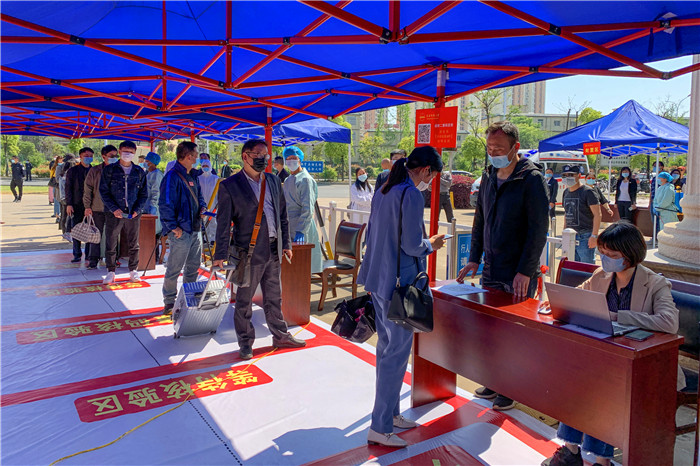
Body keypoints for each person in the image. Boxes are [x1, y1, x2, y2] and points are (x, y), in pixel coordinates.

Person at [542, 221, 680, 466]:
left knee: (603, 387)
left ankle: (601, 460)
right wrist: (558, 302)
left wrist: (619, 316)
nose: (605, 259)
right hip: (606, 355)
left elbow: (669, 322)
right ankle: (571, 449)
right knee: (577, 375)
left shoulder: (655, 283)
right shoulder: (601, 275)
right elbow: (579, 297)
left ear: (630, 255)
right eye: (602, 253)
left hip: (645, 365)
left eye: (612, 255)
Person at [457, 120, 549, 411]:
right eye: (490, 148)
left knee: (514, 332)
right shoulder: (488, 175)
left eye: (499, 148)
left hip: (518, 272)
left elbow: (538, 230)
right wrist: (474, 257)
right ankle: (495, 381)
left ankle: (512, 387)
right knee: (492, 330)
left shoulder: (531, 179)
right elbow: (480, 220)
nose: (493, 153)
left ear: (515, 148)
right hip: (491, 268)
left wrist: (525, 270)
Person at [358, 146, 445, 448]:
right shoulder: (411, 194)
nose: (431, 182)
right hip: (401, 285)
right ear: (426, 170)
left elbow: (373, 235)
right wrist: (431, 244)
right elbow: (411, 245)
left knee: (387, 350)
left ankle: (391, 415)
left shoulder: (385, 189)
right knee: (395, 355)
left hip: (379, 279)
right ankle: (380, 426)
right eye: (433, 176)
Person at [213, 139, 305, 360]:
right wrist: (220, 255)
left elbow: (282, 215)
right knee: (244, 300)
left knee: (274, 297)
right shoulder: (230, 185)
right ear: (245, 156)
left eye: (266, 155)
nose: (263, 159)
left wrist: (286, 244)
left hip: (273, 249)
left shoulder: (272, 180)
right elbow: (223, 223)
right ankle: (245, 342)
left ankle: (280, 335)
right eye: (258, 155)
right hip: (248, 252)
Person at [159, 142, 208, 315]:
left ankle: (189, 297)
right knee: (174, 267)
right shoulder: (172, 176)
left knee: (193, 267)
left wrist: (202, 207)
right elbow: (165, 203)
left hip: (195, 227)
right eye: (196, 155)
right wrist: (173, 226)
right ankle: (169, 301)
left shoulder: (193, 175)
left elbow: (199, 197)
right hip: (181, 230)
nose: (197, 158)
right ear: (188, 156)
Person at [99, 141, 148, 284]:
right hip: (114, 212)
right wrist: (114, 209)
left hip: (133, 213)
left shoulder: (139, 171)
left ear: (135, 153)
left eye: (131, 152)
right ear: (119, 152)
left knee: (134, 242)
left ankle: (133, 270)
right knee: (111, 241)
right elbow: (104, 192)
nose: (128, 154)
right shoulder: (109, 170)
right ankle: (111, 271)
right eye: (125, 151)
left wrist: (137, 209)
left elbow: (143, 194)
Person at [283, 146, 322, 274]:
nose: (291, 161)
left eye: (294, 158)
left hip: (302, 227)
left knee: (302, 266)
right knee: (292, 267)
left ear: (300, 159)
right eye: (288, 158)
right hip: (290, 225)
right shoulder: (288, 180)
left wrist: (301, 230)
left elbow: (308, 209)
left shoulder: (305, 180)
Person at [84, 145, 118, 269]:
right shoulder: (95, 171)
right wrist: (87, 206)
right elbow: (87, 189)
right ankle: (93, 260)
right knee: (95, 235)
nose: (114, 158)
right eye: (111, 156)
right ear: (104, 157)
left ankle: (112, 260)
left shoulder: (119, 170)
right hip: (97, 208)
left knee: (112, 236)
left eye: (116, 156)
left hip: (114, 209)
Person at [561, 165, 600, 264]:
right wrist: (564, 231)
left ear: (579, 176)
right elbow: (566, 212)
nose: (567, 178)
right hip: (570, 235)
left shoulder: (588, 192)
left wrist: (594, 236)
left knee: (586, 267)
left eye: (571, 175)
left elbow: (597, 214)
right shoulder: (566, 192)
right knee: (572, 266)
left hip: (585, 236)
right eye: (565, 175)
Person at [65, 147, 94, 263]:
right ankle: (77, 254)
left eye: (90, 156)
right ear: (80, 157)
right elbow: (68, 188)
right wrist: (69, 204)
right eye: (86, 156)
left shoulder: (94, 170)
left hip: (91, 205)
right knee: (77, 230)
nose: (88, 158)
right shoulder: (73, 171)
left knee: (90, 230)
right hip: (76, 204)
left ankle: (89, 253)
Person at [198, 156, 220, 243]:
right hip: (203, 204)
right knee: (204, 221)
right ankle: (205, 238)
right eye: (203, 166)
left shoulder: (215, 178)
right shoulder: (199, 178)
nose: (205, 168)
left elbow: (218, 191)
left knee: (213, 221)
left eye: (207, 166)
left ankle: (213, 238)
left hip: (213, 203)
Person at [144, 151, 164, 244]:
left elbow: (156, 192)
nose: (145, 163)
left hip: (154, 207)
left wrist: (153, 206)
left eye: (147, 161)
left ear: (152, 163)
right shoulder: (148, 173)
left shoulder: (157, 175)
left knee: (153, 232)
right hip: (147, 205)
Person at [649, 160, 664, 233]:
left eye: (658, 166)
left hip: (660, 202)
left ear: (662, 167)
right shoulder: (654, 178)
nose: (656, 167)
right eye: (654, 166)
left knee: (660, 221)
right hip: (653, 202)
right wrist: (650, 202)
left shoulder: (665, 178)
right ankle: (655, 235)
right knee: (654, 220)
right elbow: (651, 191)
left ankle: (659, 235)